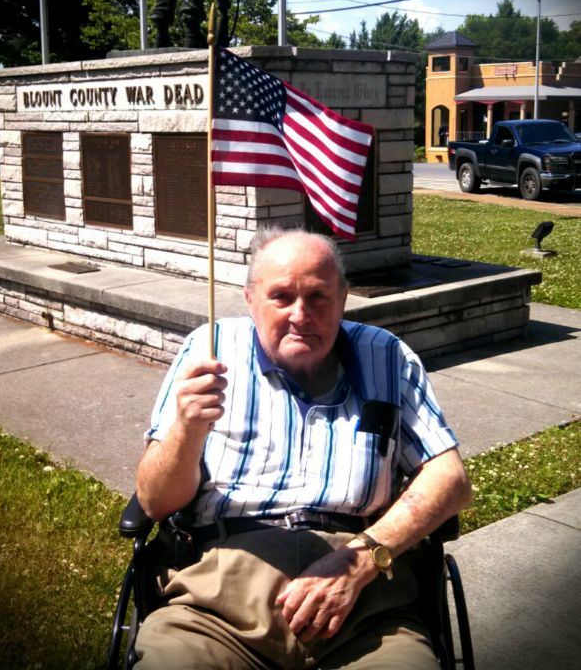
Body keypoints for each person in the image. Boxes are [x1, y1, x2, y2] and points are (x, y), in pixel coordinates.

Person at [134, 228, 473, 669]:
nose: (300, 315)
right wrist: (186, 430)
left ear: (343, 299)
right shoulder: (210, 350)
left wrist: (364, 558)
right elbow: (154, 501)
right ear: (250, 299)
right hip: (215, 609)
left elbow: (451, 480)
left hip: (366, 613)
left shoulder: (387, 358)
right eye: (281, 296)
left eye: (318, 297)